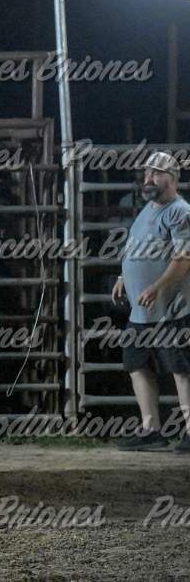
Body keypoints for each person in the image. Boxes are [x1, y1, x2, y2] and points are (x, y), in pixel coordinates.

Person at [112, 151, 190, 453]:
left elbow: (183, 258)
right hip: (142, 311)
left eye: (155, 173)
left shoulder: (180, 211)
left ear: (172, 178)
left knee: (182, 370)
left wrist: (157, 287)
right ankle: (151, 430)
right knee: (136, 364)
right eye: (147, 173)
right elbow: (137, 246)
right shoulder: (148, 209)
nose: (148, 179)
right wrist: (124, 275)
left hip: (173, 309)